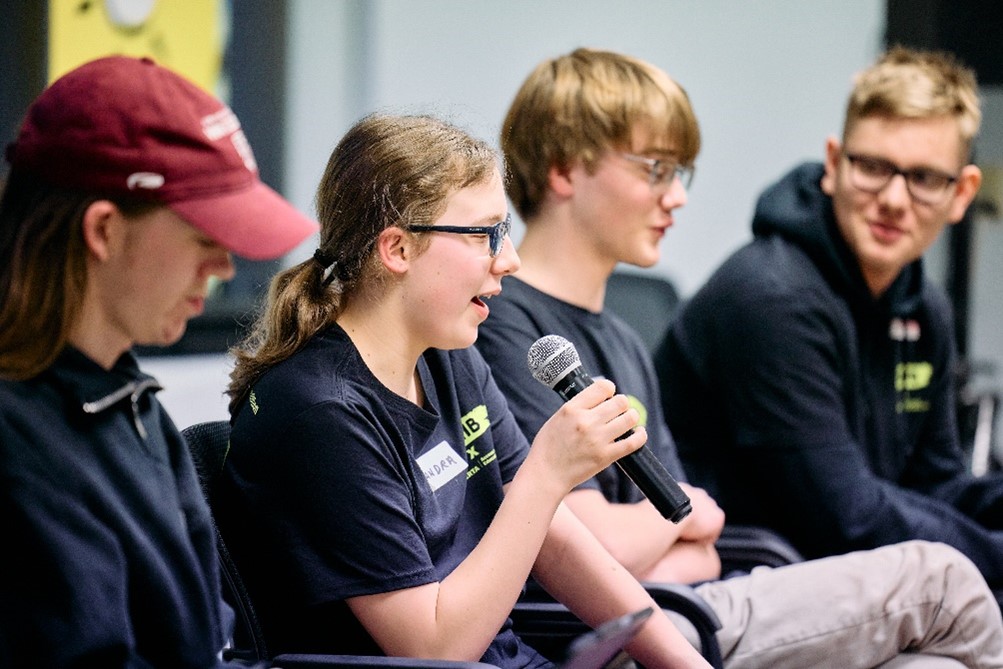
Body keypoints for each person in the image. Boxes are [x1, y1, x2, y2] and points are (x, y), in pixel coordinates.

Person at [474, 46, 1003, 668]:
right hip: (633, 622)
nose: (677, 198)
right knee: (939, 581)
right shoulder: (509, 329)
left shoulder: (620, 337)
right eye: (656, 169)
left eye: (681, 174)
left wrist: (674, 526)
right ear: (564, 170)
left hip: (692, 592)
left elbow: (700, 530)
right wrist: (675, 525)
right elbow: (585, 543)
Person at [214, 112, 714, 669]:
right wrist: (547, 475)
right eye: (483, 234)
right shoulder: (319, 411)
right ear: (397, 249)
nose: (510, 258)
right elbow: (433, 650)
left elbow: (556, 540)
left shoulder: (451, 358)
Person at [0, 55, 319, 667]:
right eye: (205, 238)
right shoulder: (19, 445)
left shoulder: (131, 404)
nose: (225, 268)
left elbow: (205, 643)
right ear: (103, 230)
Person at [652, 46, 1003, 593]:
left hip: (846, 572)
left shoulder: (923, 307)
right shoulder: (770, 298)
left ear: (962, 194)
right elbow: (847, 518)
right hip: (744, 580)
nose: (893, 198)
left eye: (925, 178)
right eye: (872, 167)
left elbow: (935, 482)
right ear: (834, 165)